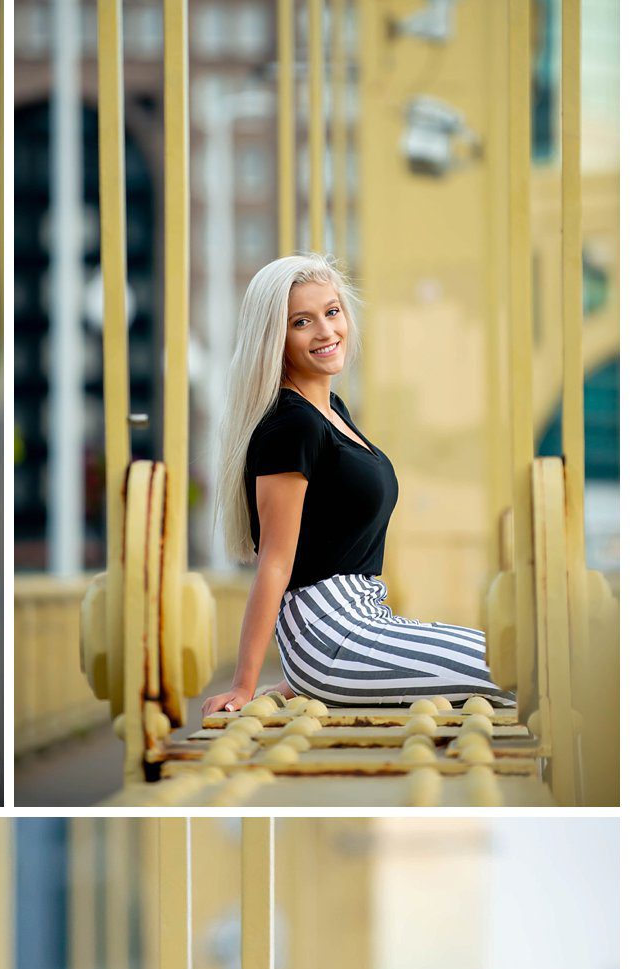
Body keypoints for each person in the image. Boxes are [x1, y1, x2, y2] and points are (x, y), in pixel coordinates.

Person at [202, 255, 511, 719]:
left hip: (361, 620)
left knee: (522, 658)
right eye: (302, 322)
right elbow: (275, 562)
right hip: (335, 635)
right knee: (518, 670)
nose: (326, 332)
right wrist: (244, 686)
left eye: (332, 312)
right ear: (275, 338)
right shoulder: (291, 426)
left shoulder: (331, 412)